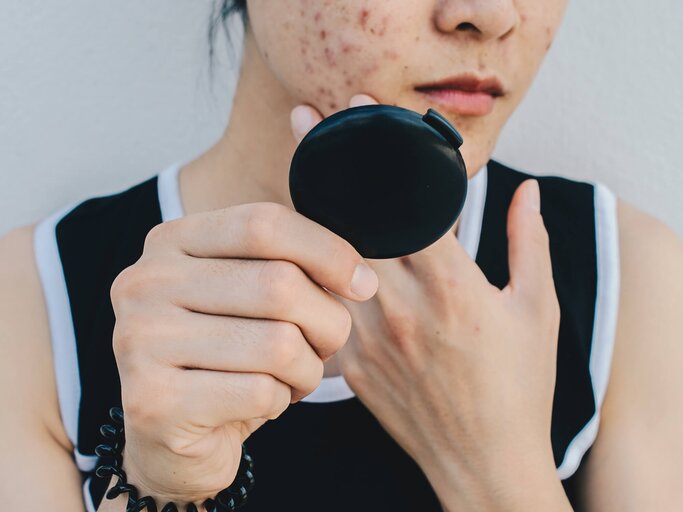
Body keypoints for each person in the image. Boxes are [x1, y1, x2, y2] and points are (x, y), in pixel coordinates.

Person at [1, 0, 681, 510]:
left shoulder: (633, 281)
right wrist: (162, 485)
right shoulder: (31, 306)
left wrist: (496, 470)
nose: (488, 14)